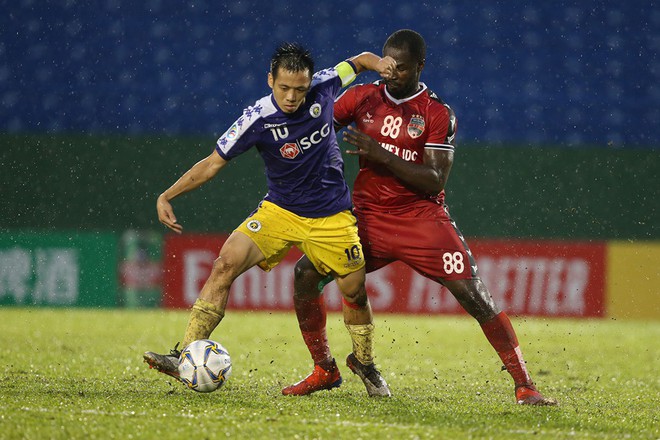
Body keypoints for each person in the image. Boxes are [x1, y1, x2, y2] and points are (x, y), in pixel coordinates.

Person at [284, 30, 557, 406]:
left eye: (402, 68)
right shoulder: (363, 98)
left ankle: (525, 384)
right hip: (366, 219)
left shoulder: (435, 112)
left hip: (421, 218)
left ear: (420, 67)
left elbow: (434, 180)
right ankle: (324, 369)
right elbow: (316, 125)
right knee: (304, 275)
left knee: (474, 294)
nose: (391, 73)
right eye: (387, 64)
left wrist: (380, 154)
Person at [144, 43, 397, 398]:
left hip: (331, 216)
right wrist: (167, 195)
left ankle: (365, 364)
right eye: (284, 88)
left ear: (310, 82)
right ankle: (184, 352)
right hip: (279, 211)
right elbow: (213, 163)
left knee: (354, 291)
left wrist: (380, 62)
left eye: (299, 89)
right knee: (224, 264)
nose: (292, 96)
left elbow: (360, 62)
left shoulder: (325, 85)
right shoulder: (257, 119)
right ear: (270, 81)